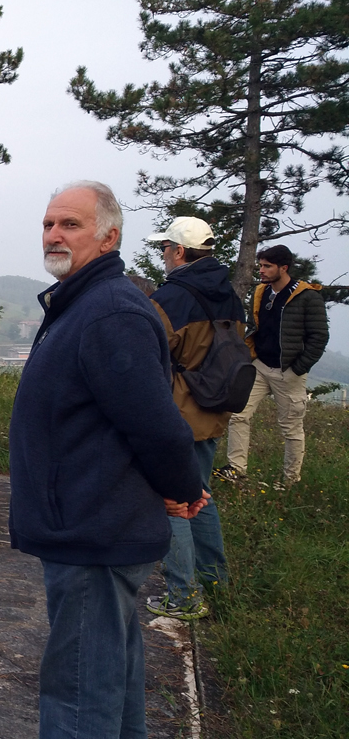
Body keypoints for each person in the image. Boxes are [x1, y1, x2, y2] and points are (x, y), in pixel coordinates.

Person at [0, 181, 208, 739]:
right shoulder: (87, 303)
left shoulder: (109, 310)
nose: (55, 234)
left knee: (79, 680)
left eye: (72, 224)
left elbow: (156, 423)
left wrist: (183, 490)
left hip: (93, 526)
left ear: (108, 236)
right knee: (110, 673)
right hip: (92, 522)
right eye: (49, 223)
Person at [145, 217, 245, 621]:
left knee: (175, 500)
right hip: (214, 405)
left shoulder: (171, 297)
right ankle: (214, 582)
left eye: (165, 247)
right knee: (200, 495)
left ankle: (183, 595)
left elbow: (153, 351)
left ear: (180, 252)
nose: (163, 254)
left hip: (179, 408)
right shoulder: (229, 294)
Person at [218, 243, 329, 489]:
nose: (262, 270)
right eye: (261, 265)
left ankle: (289, 482)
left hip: (288, 370)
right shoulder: (262, 292)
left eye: (267, 266)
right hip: (260, 365)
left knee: (290, 428)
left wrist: (298, 368)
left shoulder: (307, 296)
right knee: (238, 414)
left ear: (284, 267)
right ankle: (236, 469)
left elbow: (319, 336)